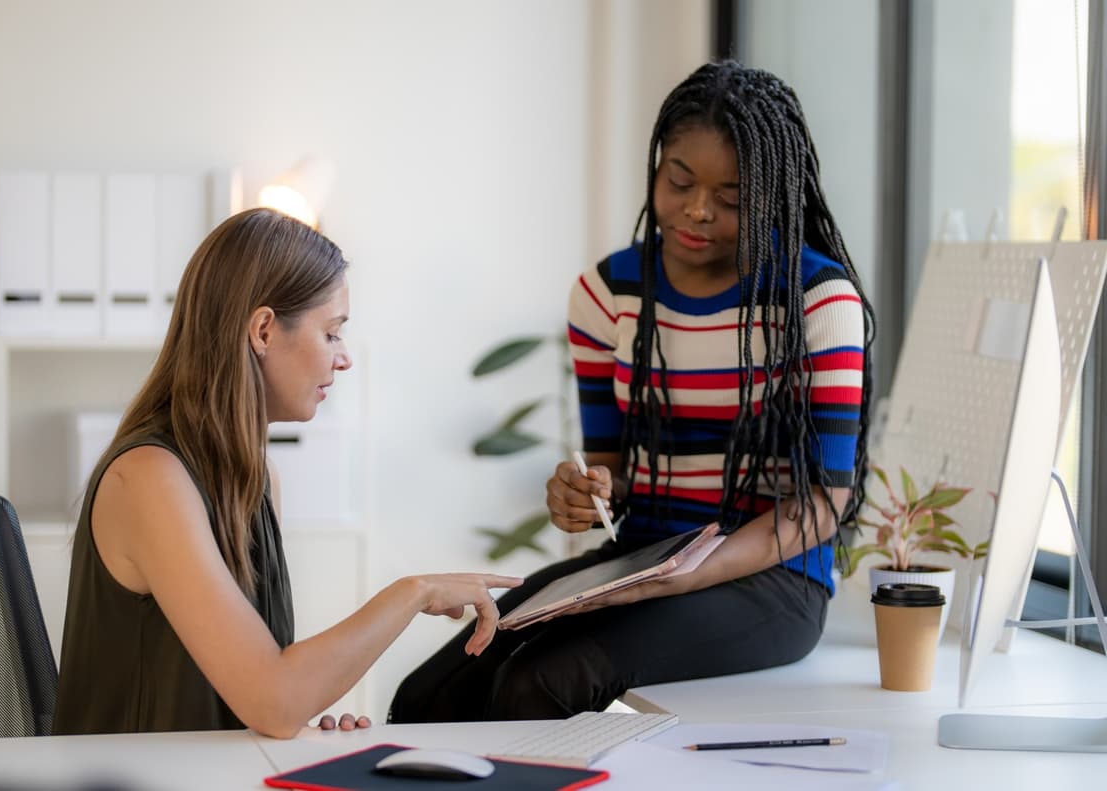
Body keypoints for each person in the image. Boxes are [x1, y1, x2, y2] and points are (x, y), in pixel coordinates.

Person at [388, 61, 875, 722]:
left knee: (543, 682)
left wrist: (696, 569)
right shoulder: (606, 294)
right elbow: (612, 469)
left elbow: (825, 500)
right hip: (641, 560)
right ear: (657, 169)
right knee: (428, 696)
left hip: (774, 578)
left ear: (772, 197)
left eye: (732, 198)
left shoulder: (818, 300)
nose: (698, 210)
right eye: (679, 181)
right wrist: (586, 492)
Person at [52, 208, 521, 737]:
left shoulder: (253, 478)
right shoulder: (151, 478)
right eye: (332, 333)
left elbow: (267, 694)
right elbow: (273, 701)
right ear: (263, 330)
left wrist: (303, 711)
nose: (343, 359)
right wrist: (411, 593)